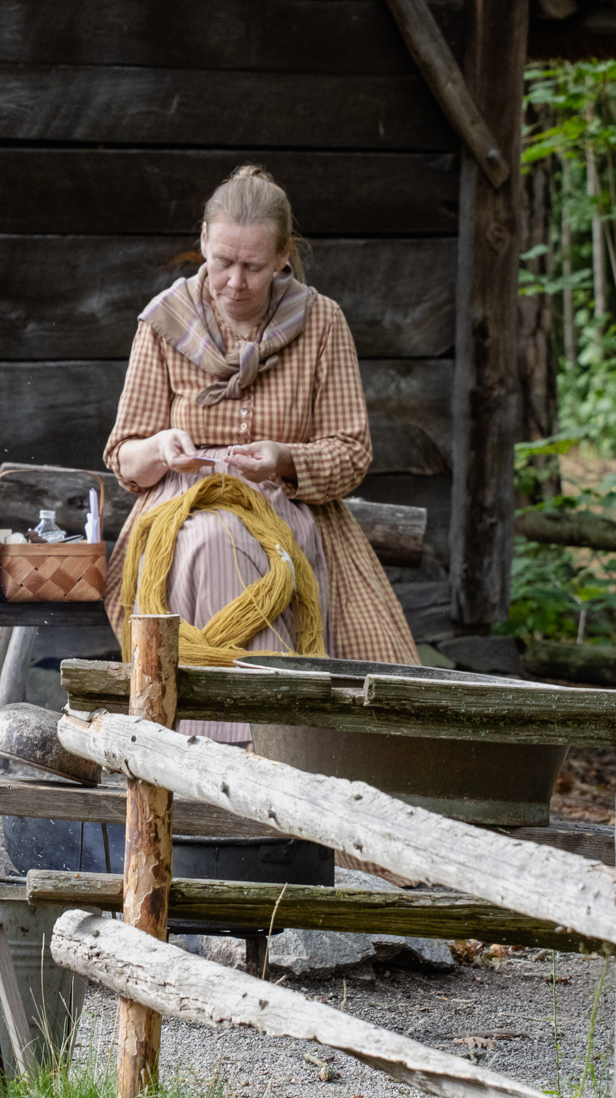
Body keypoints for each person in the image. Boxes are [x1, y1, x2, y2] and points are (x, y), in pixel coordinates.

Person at [104, 164, 419, 745]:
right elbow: (125, 457)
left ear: (282, 257)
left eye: (252, 266)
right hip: (181, 507)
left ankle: (275, 745)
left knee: (271, 557)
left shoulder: (321, 322)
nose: (234, 282)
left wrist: (283, 458)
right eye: (223, 261)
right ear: (203, 239)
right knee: (210, 540)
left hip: (285, 507)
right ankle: (226, 744)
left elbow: (351, 453)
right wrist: (163, 448)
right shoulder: (166, 321)